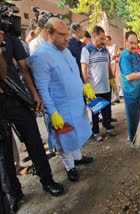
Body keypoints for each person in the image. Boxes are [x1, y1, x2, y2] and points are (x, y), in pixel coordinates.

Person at [0, 28, 64, 213]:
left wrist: (34, 94)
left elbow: (24, 69)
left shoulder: (11, 39)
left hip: (17, 98)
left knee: (34, 141)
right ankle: (14, 193)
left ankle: (47, 180)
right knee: (5, 154)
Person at [30, 18, 94, 182]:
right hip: (60, 107)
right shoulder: (40, 56)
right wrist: (52, 113)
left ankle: (78, 158)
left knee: (77, 133)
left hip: (75, 103)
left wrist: (83, 86)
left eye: (67, 34)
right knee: (65, 138)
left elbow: (74, 74)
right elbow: (43, 89)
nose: (66, 38)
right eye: (61, 35)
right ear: (49, 33)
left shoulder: (65, 51)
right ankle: (69, 167)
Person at [81, 26, 116, 142]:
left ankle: (108, 128)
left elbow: (108, 66)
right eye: (101, 39)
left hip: (106, 86)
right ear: (94, 36)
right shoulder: (87, 50)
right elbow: (84, 68)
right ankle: (96, 132)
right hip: (94, 89)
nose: (104, 41)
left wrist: (112, 79)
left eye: (104, 39)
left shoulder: (105, 51)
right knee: (95, 112)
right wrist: (87, 85)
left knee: (107, 110)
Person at [119, 31, 140, 151]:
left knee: (136, 117)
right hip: (131, 93)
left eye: (135, 43)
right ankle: (134, 141)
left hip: (138, 91)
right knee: (132, 118)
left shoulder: (136, 54)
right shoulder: (124, 57)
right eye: (131, 43)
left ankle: (133, 135)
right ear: (125, 42)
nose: (133, 46)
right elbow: (128, 76)